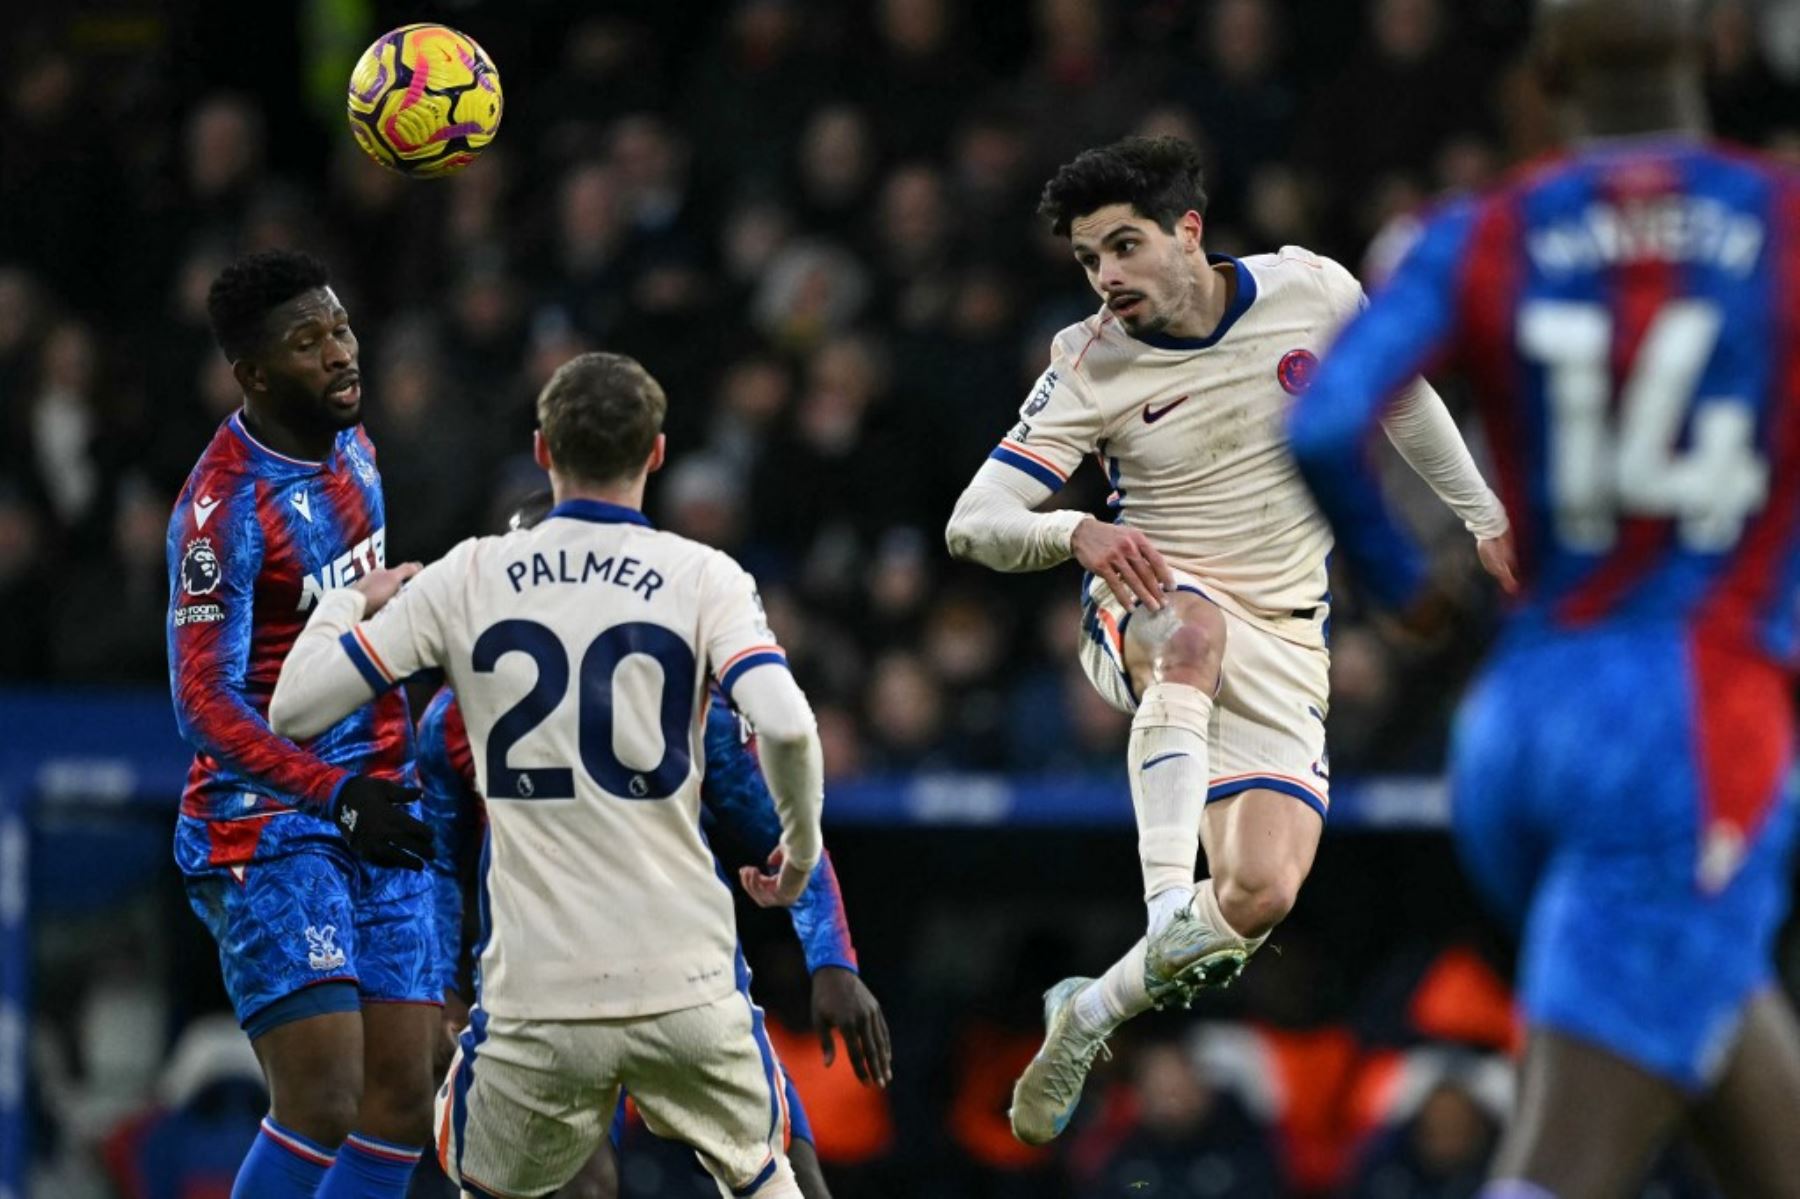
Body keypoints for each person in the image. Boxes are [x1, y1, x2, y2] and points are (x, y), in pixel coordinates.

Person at [1290, 2, 1800, 1195]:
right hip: (1690, 720)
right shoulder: (1781, 220)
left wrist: (1406, 586)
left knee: (1723, 1032)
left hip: (1520, 713)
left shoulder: (1485, 230)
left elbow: (1322, 423)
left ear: (1553, 65)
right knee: (1564, 1161)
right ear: (1710, 48)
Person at [944, 134, 1514, 1145]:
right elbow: (972, 521)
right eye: (1088, 259)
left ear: (1188, 232)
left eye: (1123, 246)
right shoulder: (1087, 360)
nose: (1106, 275)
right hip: (1155, 600)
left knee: (1260, 891)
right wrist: (1075, 529)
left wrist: (1483, 517)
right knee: (1191, 628)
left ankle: (1085, 1014)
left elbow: (1401, 397)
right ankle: (1165, 900)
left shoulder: (1312, 291)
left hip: (1288, 636)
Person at [268, 351, 826, 1199]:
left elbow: (294, 710)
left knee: (487, 1182)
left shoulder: (467, 575)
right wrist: (800, 850)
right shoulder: (707, 576)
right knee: (768, 1171)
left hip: (539, 996)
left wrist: (350, 601)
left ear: (541, 449)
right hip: (686, 980)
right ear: (659, 454)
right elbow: (786, 722)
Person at [416, 492, 891, 1199]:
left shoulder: (463, 711)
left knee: (779, 1165)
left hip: (591, 984)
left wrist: (832, 958)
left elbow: (440, 865)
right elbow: (440, 862)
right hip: (617, 981)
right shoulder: (470, 715)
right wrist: (832, 958)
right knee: (766, 1169)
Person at [166, 249, 438, 1198]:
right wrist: (332, 791)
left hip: (378, 791)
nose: (338, 353)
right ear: (251, 373)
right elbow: (202, 702)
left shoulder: (354, 446)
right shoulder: (222, 509)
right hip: (268, 819)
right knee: (322, 1096)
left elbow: (345, 609)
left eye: (341, 328)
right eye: (307, 341)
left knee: (407, 1095)